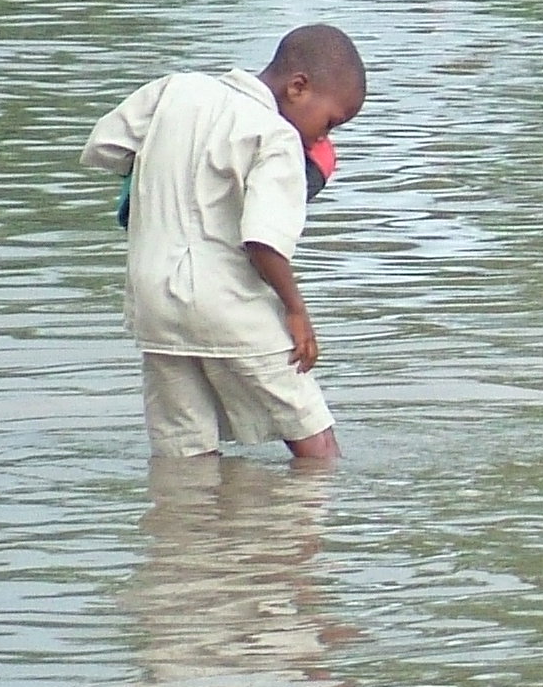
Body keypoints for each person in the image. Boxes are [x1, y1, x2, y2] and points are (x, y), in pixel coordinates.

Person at [79, 24, 369, 464]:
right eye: (330, 123)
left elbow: (105, 146)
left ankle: (194, 530)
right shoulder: (277, 137)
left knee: (186, 453)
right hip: (231, 307)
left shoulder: (175, 91)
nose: (324, 140)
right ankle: (306, 528)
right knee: (316, 445)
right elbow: (263, 241)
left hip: (155, 305)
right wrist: (296, 311)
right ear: (298, 87)